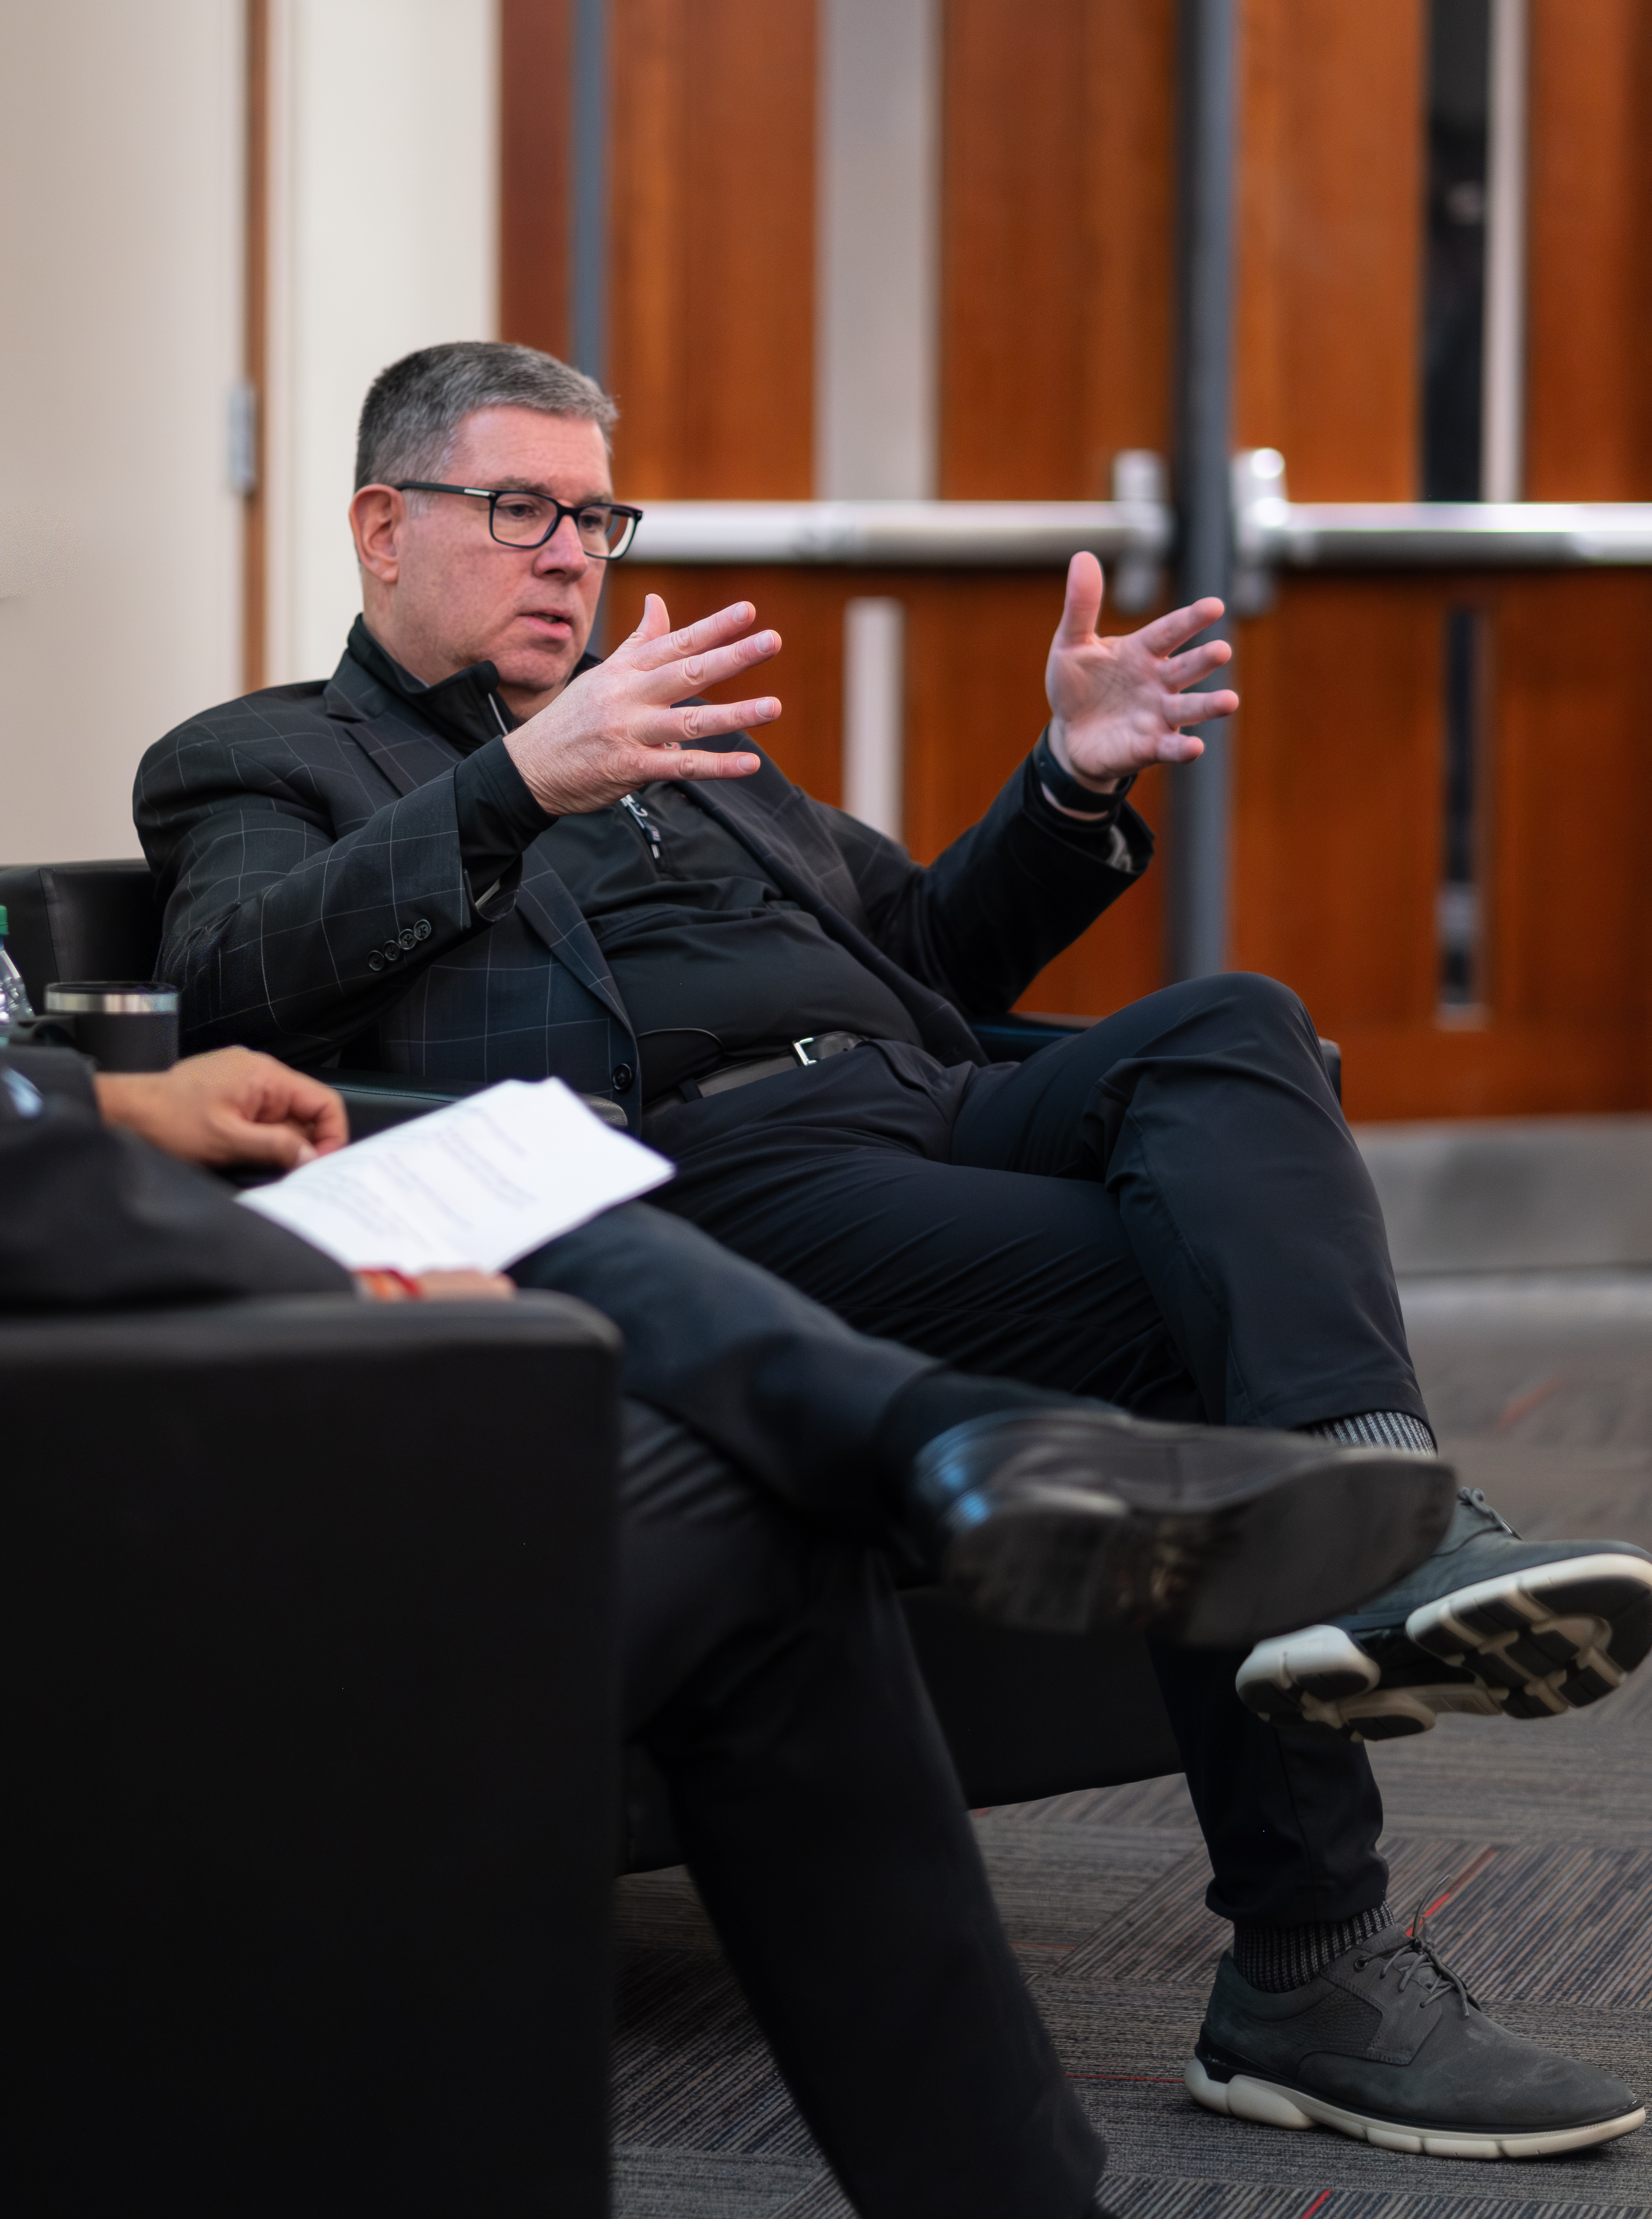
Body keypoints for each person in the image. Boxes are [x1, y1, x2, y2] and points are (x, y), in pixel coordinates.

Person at [135, 340, 1652, 2160]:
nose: (568, 556)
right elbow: (228, 986)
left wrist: (1069, 788)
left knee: (1236, 1021)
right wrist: (517, 786)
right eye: (517, 510)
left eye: (594, 516)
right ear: (384, 527)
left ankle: (1377, 1505)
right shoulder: (264, 757)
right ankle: (1316, 1960)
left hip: (915, 1116)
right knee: (1193, 1310)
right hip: (689, 1189)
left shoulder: (692, 751)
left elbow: (924, 960)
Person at [0, 1039, 1467, 2215]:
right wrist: (331, 1278)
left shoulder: (733, 786)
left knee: (755, 1501)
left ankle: (960, 1454)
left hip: (128, 1303)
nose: (563, 640)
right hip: (95, 1465)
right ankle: (957, 1455)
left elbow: (923, 937)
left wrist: (107, 1090)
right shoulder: (287, 763)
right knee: (731, 1467)